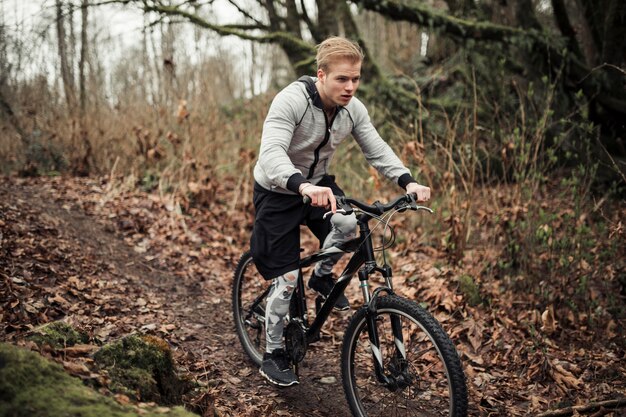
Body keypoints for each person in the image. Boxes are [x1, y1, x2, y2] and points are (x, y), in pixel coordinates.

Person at [250, 36, 431, 387]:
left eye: (356, 79)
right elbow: (271, 154)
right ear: (321, 75)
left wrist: (407, 180)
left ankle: (322, 275)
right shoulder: (291, 101)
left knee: (350, 223)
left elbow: (376, 149)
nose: (350, 87)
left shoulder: (353, 109)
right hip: (279, 190)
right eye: (342, 79)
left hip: (320, 185)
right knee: (286, 279)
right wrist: (302, 185)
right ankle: (273, 353)